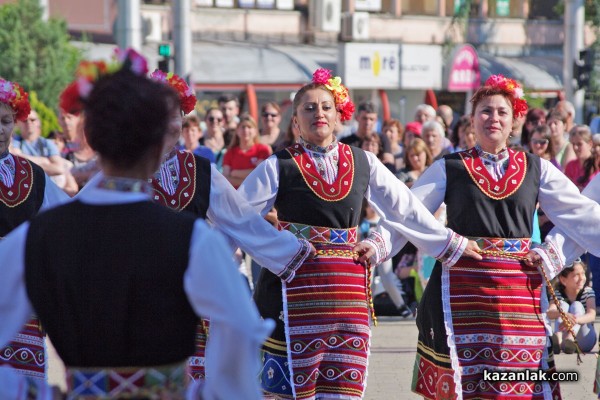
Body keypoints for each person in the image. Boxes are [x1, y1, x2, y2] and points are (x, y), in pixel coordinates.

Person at [0, 48, 272, 399]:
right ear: (159, 142)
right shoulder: (193, 240)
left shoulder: (35, 238)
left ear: (92, 138)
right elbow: (242, 330)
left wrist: (29, 391)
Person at [237, 68, 481, 400]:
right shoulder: (279, 165)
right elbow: (237, 217)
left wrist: (447, 243)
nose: (318, 114)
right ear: (295, 122)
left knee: (342, 391)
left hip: (346, 298)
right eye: (308, 108)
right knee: (285, 392)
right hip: (288, 295)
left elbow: (404, 208)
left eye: (325, 107)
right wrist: (278, 248)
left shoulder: (363, 162)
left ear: (338, 116)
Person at [409, 74, 600, 399]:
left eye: (501, 112)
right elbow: (408, 212)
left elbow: (584, 217)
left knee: (520, 384)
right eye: (485, 111)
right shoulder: (451, 167)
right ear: (472, 119)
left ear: (514, 121)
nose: (493, 118)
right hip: (462, 295)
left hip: (518, 297)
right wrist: (447, 243)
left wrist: (551, 253)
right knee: (465, 384)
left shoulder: (536, 168)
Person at [0, 78, 69, 382]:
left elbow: (68, 219)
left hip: (21, 292)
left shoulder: (32, 174)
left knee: (24, 381)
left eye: (5, 121)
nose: (0, 129)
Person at [547, 258, 596, 354]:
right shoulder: (558, 293)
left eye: (582, 273)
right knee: (562, 305)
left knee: (577, 305)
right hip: (563, 335)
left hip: (585, 339)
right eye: (576, 275)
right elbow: (549, 313)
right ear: (563, 280)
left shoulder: (587, 291)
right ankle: (559, 340)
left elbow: (592, 315)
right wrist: (563, 314)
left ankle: (570, 338)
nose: (582, 278)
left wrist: (575, 320)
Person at [11, 109, 65, 177]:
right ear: (18, 123)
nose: (29, 122)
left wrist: (23, 159)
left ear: (38, 122)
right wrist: (44, 161)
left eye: (32, 120)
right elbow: (14, 159)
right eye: (25, 120)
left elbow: (59, 168)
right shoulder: (14, 141)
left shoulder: (47, 143)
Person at [222, 115, 272, 188]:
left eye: (249, 127)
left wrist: (235, 173)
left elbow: (259, 174)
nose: (246, 130)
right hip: (235, 196)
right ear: (237, 131)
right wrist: (248, 179)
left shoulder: (262, 150)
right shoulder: (230, 152)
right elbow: (225, 179)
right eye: (243, 127)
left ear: (255, 131)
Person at [564, 124, 598, 191]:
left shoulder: (597, 163)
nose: (575, 148)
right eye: (573, 144)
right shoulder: (570, 166)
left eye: (579, 144)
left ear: (590, 144)